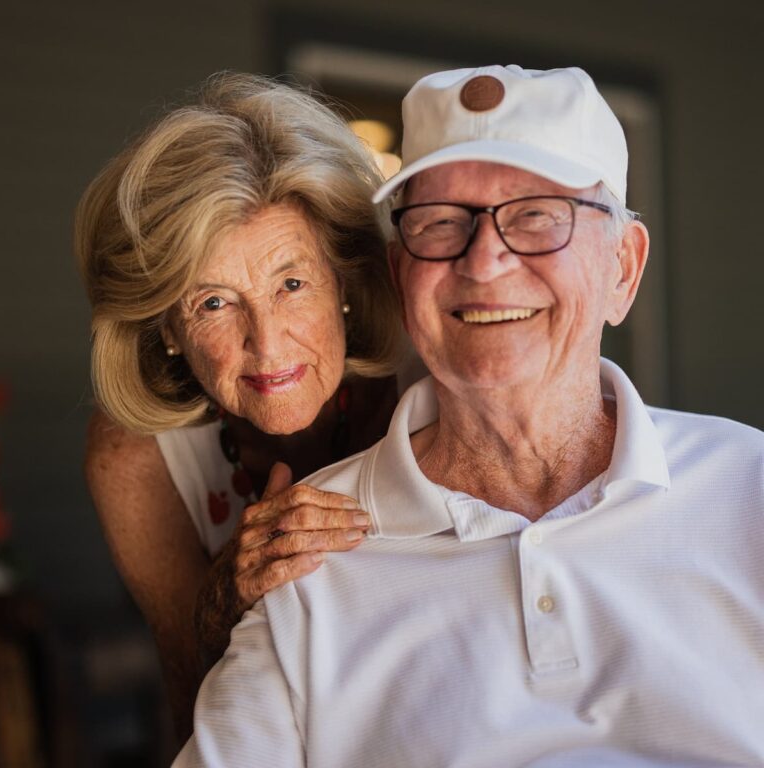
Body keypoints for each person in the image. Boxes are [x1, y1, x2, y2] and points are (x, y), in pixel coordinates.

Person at [176, 64, 764, 767]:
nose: (484, 262)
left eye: (537, 215)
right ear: (400, 276)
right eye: (440, 223)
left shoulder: (749, 490)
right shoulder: (307, 556)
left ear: (624, 269)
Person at [76, 72, 414, 743]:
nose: (267, 344)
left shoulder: (424, 387)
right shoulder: (133, 455)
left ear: (344, 281)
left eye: (291, 283)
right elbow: (189, 699)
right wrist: (221, 599)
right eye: (213, 303)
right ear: (167, 329)